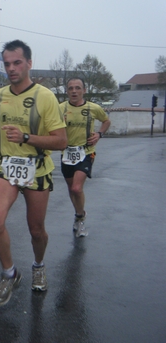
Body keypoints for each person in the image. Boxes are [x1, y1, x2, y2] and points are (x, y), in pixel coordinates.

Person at [0, 40, 67, 306]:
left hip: (37, 168)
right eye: (7, 64)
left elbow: (61, 141)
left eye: (17, 62)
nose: (12, 68)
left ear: (29, 63)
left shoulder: (45, 96)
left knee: (36, 230)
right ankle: (9, 273)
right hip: (6, 167)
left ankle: (38, 265)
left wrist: (26, 136)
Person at [59, 77, 111, 237]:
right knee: (71, 189)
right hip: (67, 154)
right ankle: (78, 213)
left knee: (76, 187)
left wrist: (99, 134)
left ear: (84, 90)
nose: (74, 91)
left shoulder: (93, 108)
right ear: (67, 91)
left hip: (86, 152)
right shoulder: (60, 108)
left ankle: (80, 217)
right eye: (70, 88)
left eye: (77, 88)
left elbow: (106, 121)